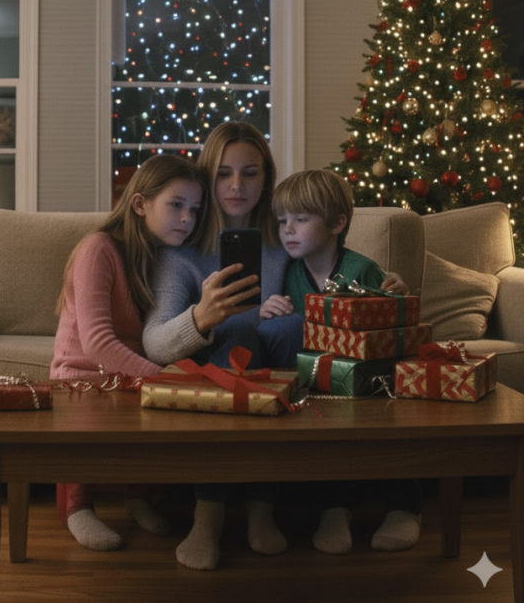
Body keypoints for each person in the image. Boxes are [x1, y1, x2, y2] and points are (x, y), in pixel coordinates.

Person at [142, 122, 300, 571]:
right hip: (217, 377)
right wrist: (202, 317)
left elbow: (331, 270)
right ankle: (207, 513)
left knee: (285, 330)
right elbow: (154, 343)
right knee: (236, 333)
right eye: (224, 174)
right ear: (207, 178)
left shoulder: (286, 240)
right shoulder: (181, 253)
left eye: (250, 173)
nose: (236, 186)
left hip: (279, 373)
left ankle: (262, 505)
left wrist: (373, 284)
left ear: (266, 178)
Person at [51, 153, 207, 552]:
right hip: (81, 375)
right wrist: (168, 381)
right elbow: (98, 343)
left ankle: (137, 496)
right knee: (140, 398)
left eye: (194, 209)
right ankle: (77, 507)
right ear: (140, 204)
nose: (187, 219)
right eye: (176, 205)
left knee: (157, 414)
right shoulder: (97, 248)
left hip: (127, 374)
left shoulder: (163, 257)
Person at [264, 169, 421, 555]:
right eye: (283, 220)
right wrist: (269, 309)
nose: (288, 230)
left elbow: (395, 327)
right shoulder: (287, 274)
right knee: (322, 434)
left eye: (301, 219)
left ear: (337, 223)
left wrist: (395, 296)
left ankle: (406, 507)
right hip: (317, 387)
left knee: (392, 426)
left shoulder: (361, 269)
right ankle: (335, 510)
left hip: (372, 383)